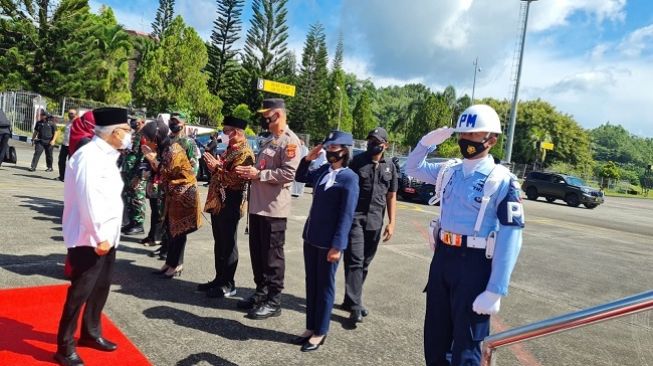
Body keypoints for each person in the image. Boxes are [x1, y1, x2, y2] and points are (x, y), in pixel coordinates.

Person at [405, 104, 524, 366]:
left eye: (473, 135)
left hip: (475, 263)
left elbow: (511, 234)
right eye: (462, 135)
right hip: (443, 257)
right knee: (435, 339)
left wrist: (496, 289)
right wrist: (425, 144)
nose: (465, 141)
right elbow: (411, 169)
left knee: (467, 347)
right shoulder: (449, 171)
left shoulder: (502, 180)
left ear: (491, 139)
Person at [54, 107, 131, 366]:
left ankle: (91, 332)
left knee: (100, 288)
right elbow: (88, 200)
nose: (129, 135)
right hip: (90, 238)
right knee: (80, 293)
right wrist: (99, 236)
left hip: (106, 237)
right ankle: (65, 347)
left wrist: (107, 236)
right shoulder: (89, 156)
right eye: (127, 130)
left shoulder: (107, 155)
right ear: (114, 132)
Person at [234, 98, 301, 319]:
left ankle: (274, 301)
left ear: (278, 115)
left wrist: (259, 174)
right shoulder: (269, 141)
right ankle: (261, 293)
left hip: (274, 210)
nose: (264, 119)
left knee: (273, 257)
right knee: (258, 254)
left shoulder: (289, 142)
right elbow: (261, 166)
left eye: (267, 115)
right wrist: (250, 170)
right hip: (258, 207)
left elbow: (288, 174)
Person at [293, 131, 359, 352]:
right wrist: (307, 159)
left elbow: (346, 215)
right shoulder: (324, 171)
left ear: (345, 150)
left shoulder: (350, 178)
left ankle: (320, 331)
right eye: (328, 148)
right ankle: (310, 327)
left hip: (329, 243)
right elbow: (300, 178)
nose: (330, 152)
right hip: (311, 237)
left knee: (325, 288)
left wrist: (338, 246)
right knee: (311, 284)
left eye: (334, 148)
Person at [341, 127, 398, 325]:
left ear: (386, 145)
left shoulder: (390, 166)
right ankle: (356, 305)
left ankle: (350, 299)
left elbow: (391, 195)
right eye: (370, 141)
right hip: (355, 219)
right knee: (355, 260)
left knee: (364, 263)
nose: (373, 144)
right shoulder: (357, 162)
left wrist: (391, 223)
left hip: (375, 221)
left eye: (377, 141)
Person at [198, 116, 255, 299]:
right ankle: (219, 278)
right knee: (220, 242)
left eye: (226, 130)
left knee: (228, 244)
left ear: (236, 132)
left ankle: (228, 284)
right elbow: (222, 171)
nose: (223, 134)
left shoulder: (245, 153)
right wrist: (213, 167)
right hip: (218, 201)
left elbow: (235, 181)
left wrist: (216, 168)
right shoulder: (231, 149)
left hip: (231, 202)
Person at [141, 119, 201, 278]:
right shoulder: (166, 148)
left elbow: (167, 172)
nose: (145, 141)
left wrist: (152, 159)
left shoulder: (173, 149)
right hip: (172, 195)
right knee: (170, 229)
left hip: (182, 195)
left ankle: (177, 264)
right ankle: (170, 263)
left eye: (148, 138)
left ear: (156, 138)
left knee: (179, 231)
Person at [121, 116, 147, 236]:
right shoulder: (133, 135)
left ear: (142, 121)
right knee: (129, 198)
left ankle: (139, 224)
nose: (132, 122)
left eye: (134, 120)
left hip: (137, 173)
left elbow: (144, 157)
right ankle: (131, 222)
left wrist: (139, 175)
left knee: (137, 198)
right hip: (128, 171)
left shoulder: (144, 136)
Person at [57, 110, 77, 181]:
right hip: (64, 144)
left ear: (75, 114)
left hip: (72, 145)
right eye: (69, 113)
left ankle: (70, 178)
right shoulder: (68, 122)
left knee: (71, 163)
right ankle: (62, 176)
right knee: (61, 161)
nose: (69, 114)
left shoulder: (77, 123)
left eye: (71, 113)